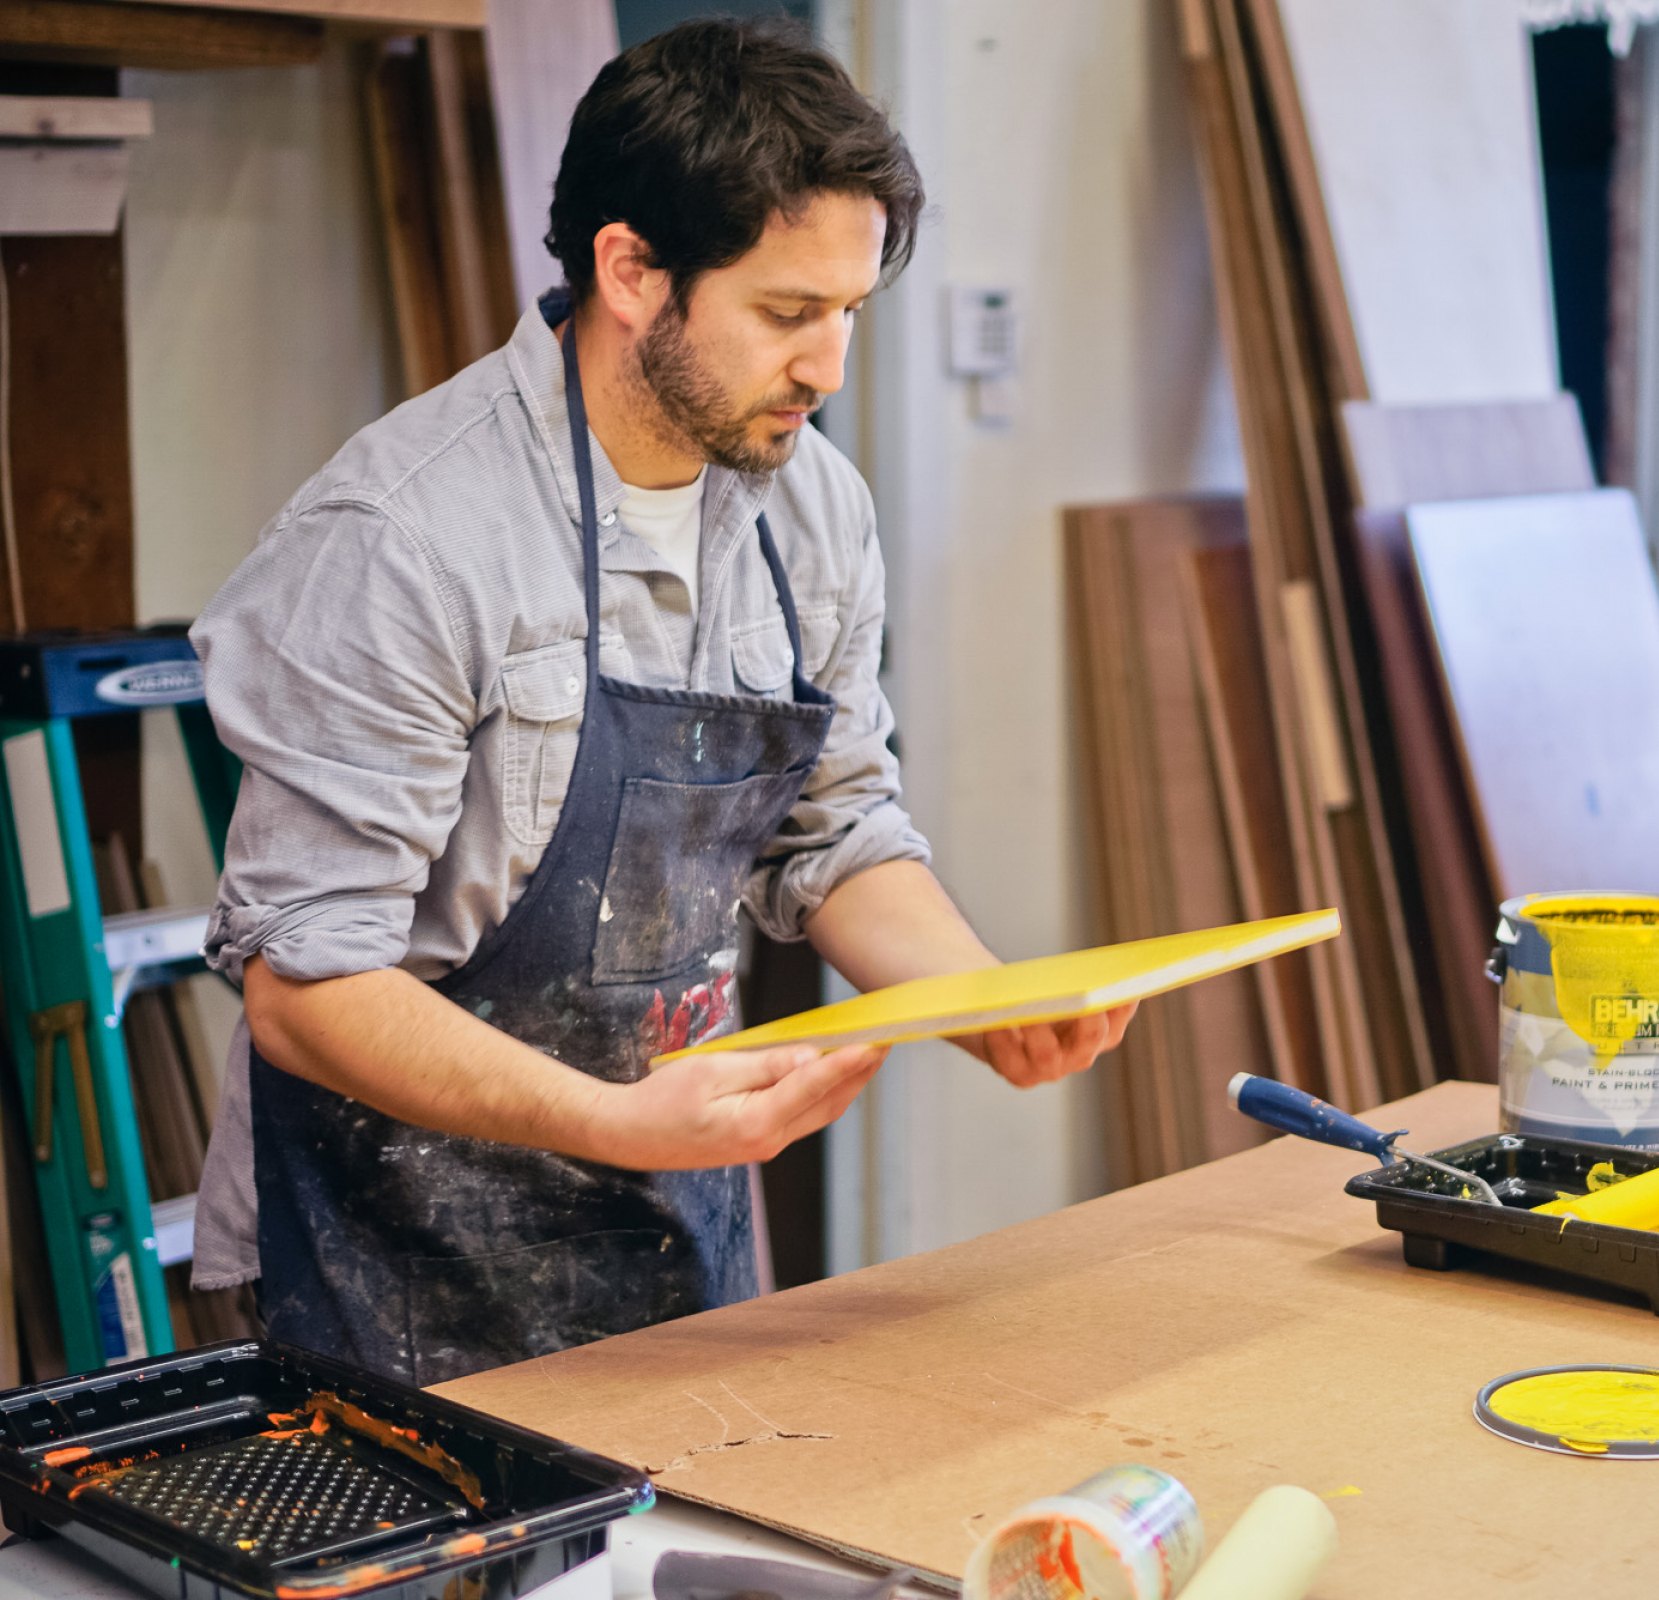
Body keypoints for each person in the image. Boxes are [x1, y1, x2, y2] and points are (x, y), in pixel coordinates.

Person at [188, 18, 1131, 1386]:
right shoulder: (402, 540)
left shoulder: (811, 509)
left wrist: (980, 999)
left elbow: (838, 829)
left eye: (850, 315)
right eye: (789, 314)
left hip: (667, 1234)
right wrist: (619, 1119)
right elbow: (307, 984)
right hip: (380, 1263)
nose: (831, 370)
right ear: (631, 271)